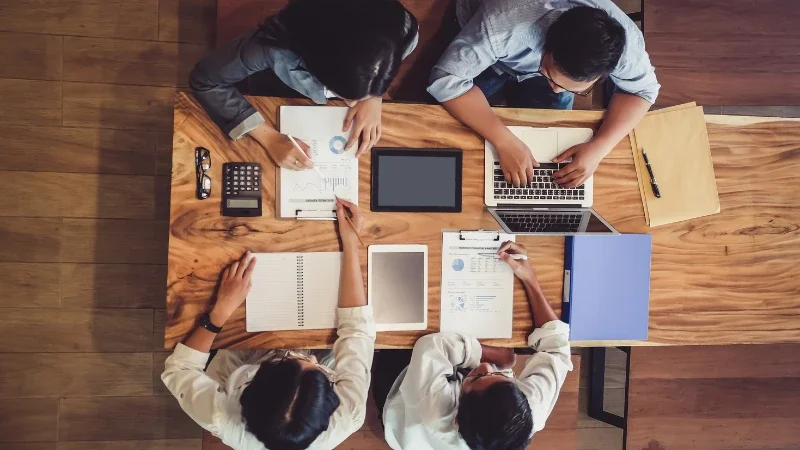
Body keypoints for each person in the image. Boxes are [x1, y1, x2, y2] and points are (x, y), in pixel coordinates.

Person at [162, 198, 373, 450]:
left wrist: (219, 312)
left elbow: (179, 370)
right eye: (315, 371)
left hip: (243, 358)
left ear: (249, 393)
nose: (310, 359)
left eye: (288, 360)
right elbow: (357, 329)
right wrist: (350, 242)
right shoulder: (348, 416)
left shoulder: (221, 417)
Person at [428, 0, 660, 189]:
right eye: (549, 75)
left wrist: (600, 147)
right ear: (545, 45)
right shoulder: (503, 23)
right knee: (441, 128)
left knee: (551, 149)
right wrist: (503, 139)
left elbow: (643, 91)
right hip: (491, 50)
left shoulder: (626, 47)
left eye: (573, 88)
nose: (555, 89)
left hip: (520, 54)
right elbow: (446, 79)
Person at [376, 241, 573, 450]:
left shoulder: (435, 412)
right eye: (500, 377)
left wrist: (498, 358)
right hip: (452, 388)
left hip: (403, 408)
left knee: (402, 334)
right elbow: (557, 348)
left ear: (456, 420)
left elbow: (431, 346)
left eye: (478, 377)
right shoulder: (528, 412)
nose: (487, 368)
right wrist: (529, 279)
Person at [189, 0, 419, 168]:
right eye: (348, 94)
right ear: (314, 62)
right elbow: (205, 80)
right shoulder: (272, 49)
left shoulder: (402, 29)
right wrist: (269, 137)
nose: (352, 103)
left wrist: (373, 95)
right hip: (276, 87)